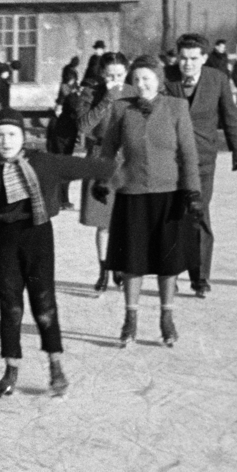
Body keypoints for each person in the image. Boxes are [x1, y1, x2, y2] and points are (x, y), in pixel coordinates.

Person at [0, 109, 114, 398]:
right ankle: (11, 367)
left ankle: (55, 364)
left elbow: (79, 166)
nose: (6, 141)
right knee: (11, 307)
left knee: (44, 306)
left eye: (12, 134)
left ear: (23, 136)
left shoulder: (43, 162)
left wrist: (109, 171)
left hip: (39, 238)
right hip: (6, 242)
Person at [98, 55, 199, 348]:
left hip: (169, 195)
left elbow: (188, 154)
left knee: (168, 263)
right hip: (133, 195)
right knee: (133, 261)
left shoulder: (177, 108)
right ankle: (130, 320)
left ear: (159, 80)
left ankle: (166, 319)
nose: (141, 84)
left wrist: (192, 191)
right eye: (137, 79)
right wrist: (103, 181)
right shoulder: (121, 109)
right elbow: (108, 150)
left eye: (147, 78)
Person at [164, 33, 237, 299]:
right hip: (169, 159)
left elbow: (230, 114)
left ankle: (200, 278)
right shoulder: (166, 78)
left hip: (203, 158)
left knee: (198, 215)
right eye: (183, 58)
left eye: (193, 59)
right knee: (170, 216)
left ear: (204, 58)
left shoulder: (217, 79)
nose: (187, 64)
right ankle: (170, 276)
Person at [76, 52, 135, 293]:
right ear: (102, 74)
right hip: (100, 157)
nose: (115, 79)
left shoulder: (133, 92)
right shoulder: (91, 92)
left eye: (120, 75)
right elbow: (84, 125)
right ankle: (103, 270)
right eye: (110, 75)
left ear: (127, 72)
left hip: (127, 158)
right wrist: (106, 100)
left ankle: (119, 264)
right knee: (103, 220)